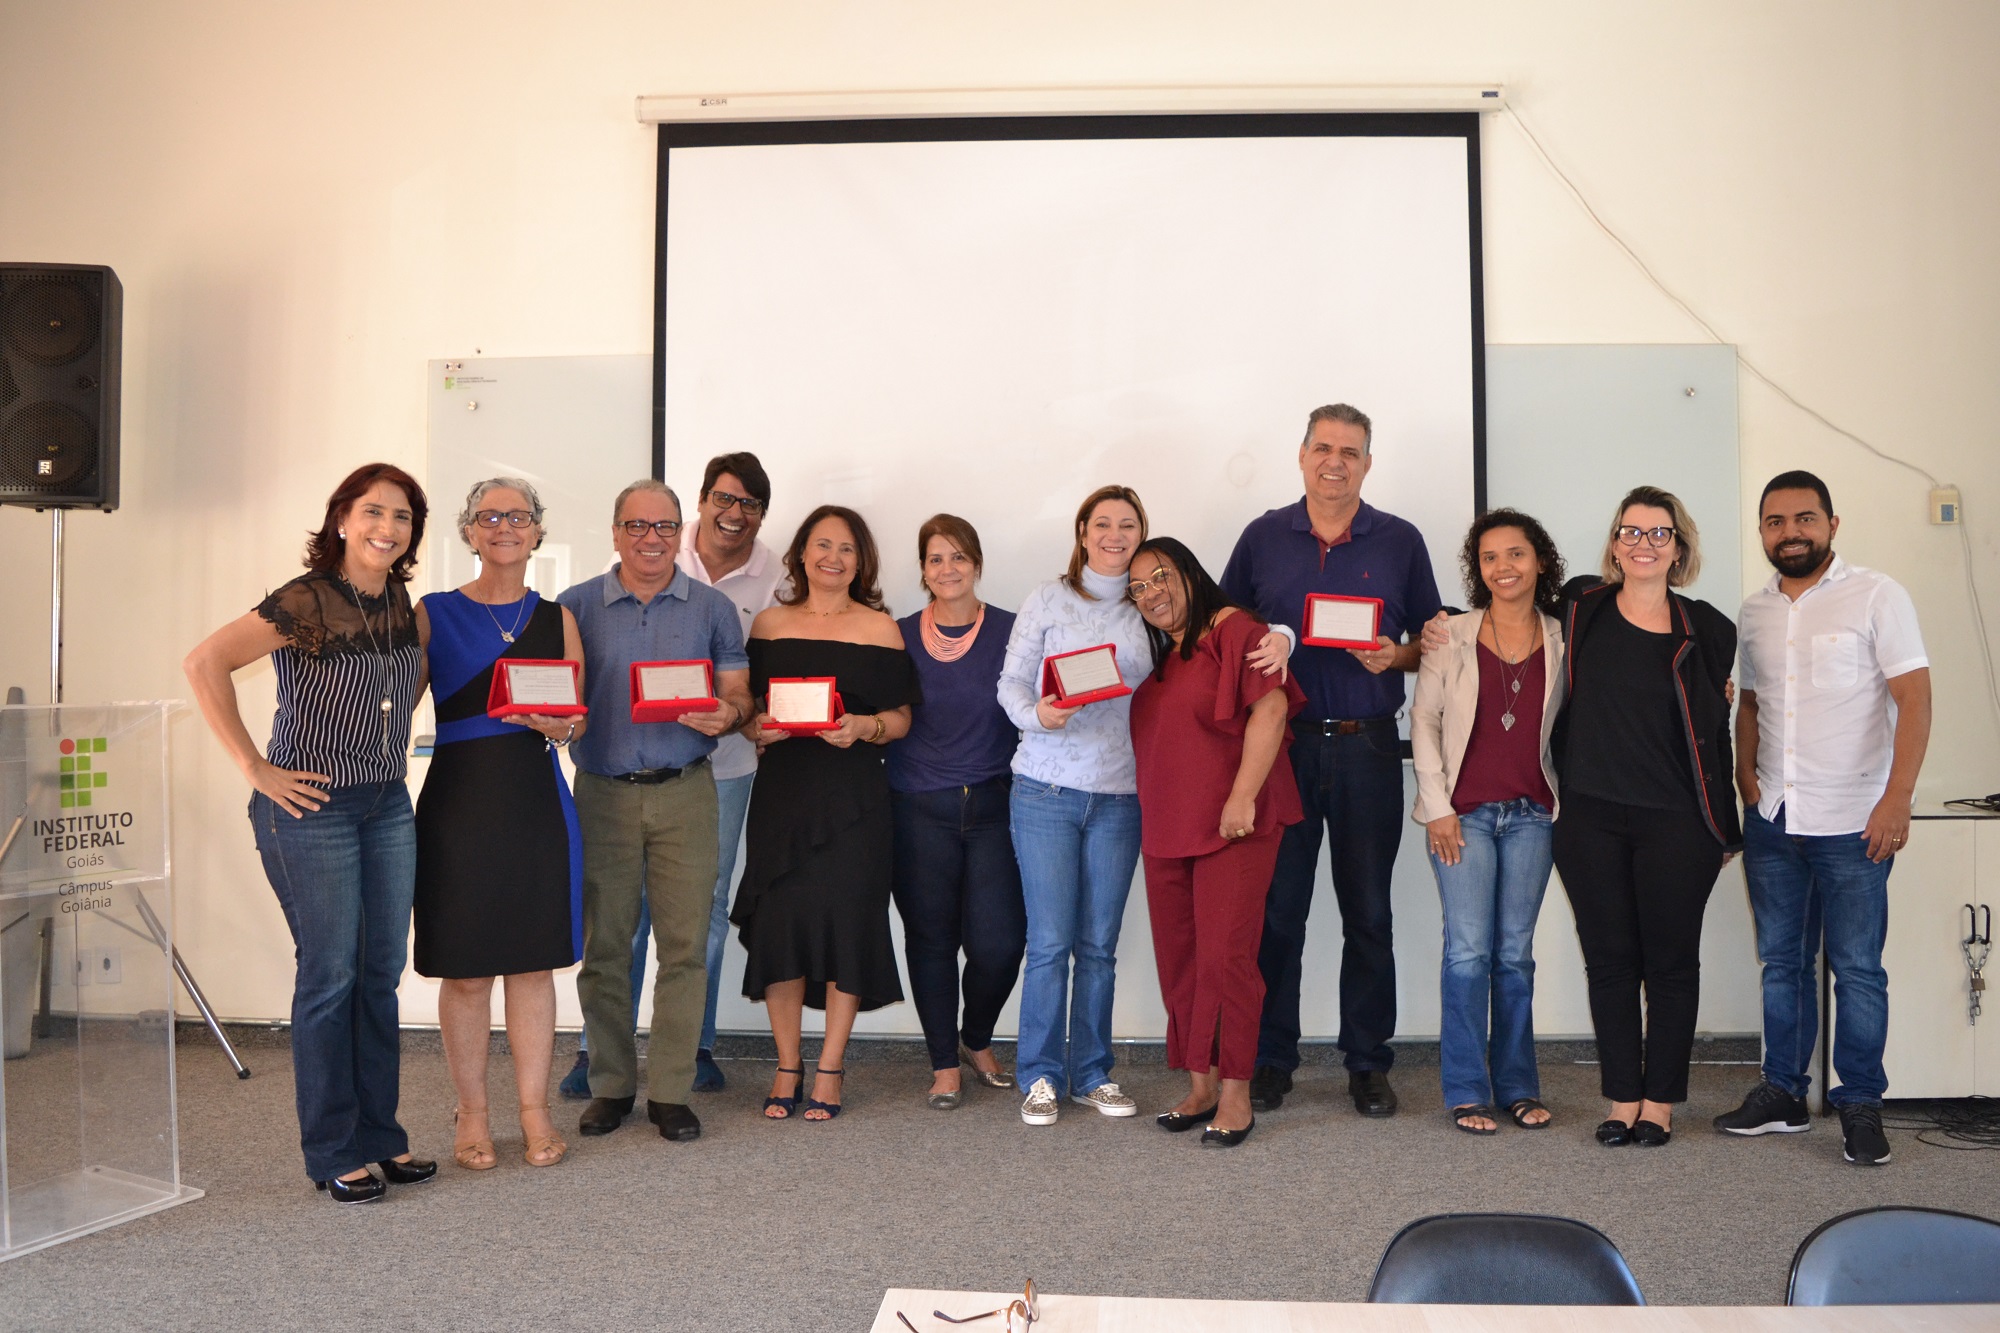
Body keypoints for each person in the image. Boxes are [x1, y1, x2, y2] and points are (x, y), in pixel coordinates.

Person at [183, 462, 436, 1204]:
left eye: (402, 517)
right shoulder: (305, 599)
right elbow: (205, 662)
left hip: (386, 802)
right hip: (310, 808)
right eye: (373, 512)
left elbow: (400, 688)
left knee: (380, 972)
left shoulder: (397, 598)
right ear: (341, 518)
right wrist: (255, 766)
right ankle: (332, 1149)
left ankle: (380, 1136)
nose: (387, 528)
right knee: (330, 975)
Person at [1219, 403, 1443, 1117]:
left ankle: (1368, 1063)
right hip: (1281, 748)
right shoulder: (1262, 537)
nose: (1335, 461)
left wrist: (1397, 654)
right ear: (1302, 455)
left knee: (1368, 912)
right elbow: (1222, 629)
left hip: (1368, 745)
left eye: (1351, 450)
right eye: (1323, 447)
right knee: (1278, 913)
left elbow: (1431, 640)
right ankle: (1269, 1059)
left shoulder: (1401, 540)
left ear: (1368, 463)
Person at [1714, 470, 1931, 1166]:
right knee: (1783, 963)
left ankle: (1860, 1102)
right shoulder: (1754, 611)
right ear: (1763, 533)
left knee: (1857, 969)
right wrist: (1747, 776)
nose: (1791, 532)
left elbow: (1915, 699)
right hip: (1776, 817)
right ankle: (1783, 1092)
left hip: (1855, 818)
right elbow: (1751, 703)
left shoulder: (1877, 594)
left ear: (1832, 524)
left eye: (1805, 519)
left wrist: (1898, 797)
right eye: (1776, 522)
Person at [558, 453, 785, 1101]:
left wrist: (732, 712)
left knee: (692, 933)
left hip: (703, 781)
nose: (650, 538)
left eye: (662, 526)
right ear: (615, 531)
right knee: (609, 934)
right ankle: (604, 1071)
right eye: (637, 526)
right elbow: (561, 698)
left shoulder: (726, 603)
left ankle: (679, 1073)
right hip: (605, 788)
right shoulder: (574, 607)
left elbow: (742, 692)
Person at [1550, 486, 1739, 1148]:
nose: (1643, 544)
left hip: (1677, 823)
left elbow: (1717, 732)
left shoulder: (1708, 628)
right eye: (1630, 532)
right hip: (1591, 817)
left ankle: (1659, 1103)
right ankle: (1621, 1098)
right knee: (1608, 959)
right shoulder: (1581, 607)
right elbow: (1507, 615)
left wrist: (1725, 826)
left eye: (1658, 534)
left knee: (1670, 963)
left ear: (1679, 547)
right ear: (1613, 544)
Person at [412, 478, 585, 1171]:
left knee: (532, 963)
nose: (505, 526)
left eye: (518, 517)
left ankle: (535, 1111)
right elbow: (394, 704)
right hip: (458, 801)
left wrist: (559, 723)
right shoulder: (432, 613)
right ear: (470, 530)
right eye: (491, 516)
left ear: (538, 531)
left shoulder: (558, 617)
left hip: (534, 800)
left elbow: (577, 720)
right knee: (465, 970)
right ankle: (473, 1113)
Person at [736, 506, 918, 1121]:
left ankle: (832, 1067)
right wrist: (756, 726)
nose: (832, 557)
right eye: (821, 545)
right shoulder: (768, 623)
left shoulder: (881, 630)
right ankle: (788, 1064)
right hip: (783, 796)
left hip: (856, 801)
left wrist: (864, 726)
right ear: (801, 553)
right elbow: (750, 710)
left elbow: (901, 720)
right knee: (779, 926)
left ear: (860, 561)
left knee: (849, 923)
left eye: (846, 548)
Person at [1127, 538, 1305, 1148]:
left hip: (1235, 825)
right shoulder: (1166, 658)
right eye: (1139, 588)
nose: (1152, 593)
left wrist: (1242, 797)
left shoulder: (1236, 630)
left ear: (1189, 573)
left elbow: (1273, 708)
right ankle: (1199, 1085)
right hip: (1168, 829)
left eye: (1161, 577)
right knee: (1180, 959)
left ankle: (1235, 1092)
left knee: (1227, 959)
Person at [997, 485, 1153, 1126]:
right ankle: (1038, 1074)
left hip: (1121, 795)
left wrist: (1280, 635)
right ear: (1083, 532)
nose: (1115, 535)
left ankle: (1092, 1073)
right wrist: (1039, 714)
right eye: (1103, 524)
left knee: (1098, 947)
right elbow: (1010, 681)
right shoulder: (1047, 598)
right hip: (1044, 791)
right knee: (1049, 943)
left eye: (1128, 525)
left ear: (1142, 535)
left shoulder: (1153, 606)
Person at [1409, 510, 1566, 1136]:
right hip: (1464, 817)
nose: (1504, 567)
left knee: (1515, 957)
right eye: (1491, 557)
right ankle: (1467, 1091)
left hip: (1533, 816)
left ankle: (1519, 1087)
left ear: (1541, 561)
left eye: (1517, 554)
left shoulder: (1563, 636)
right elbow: (1424, 722)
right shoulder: (1449, 634)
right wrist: (1439, 809)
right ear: (1479, 570)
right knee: (1468, 954)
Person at [888, 514, 1024, 1109]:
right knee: (932, 939)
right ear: (922, 569)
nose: (948, 569)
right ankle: (944, 1061)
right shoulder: (894, 634)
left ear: (977, 563)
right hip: (916, 806)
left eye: (959, 557)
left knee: (1000, 943)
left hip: (996, 805)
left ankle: (976, 1036)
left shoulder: (1015, 631)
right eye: (936, 559)